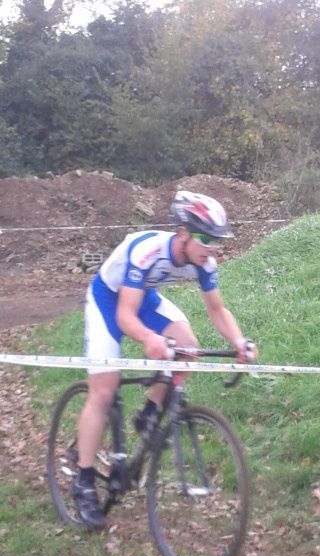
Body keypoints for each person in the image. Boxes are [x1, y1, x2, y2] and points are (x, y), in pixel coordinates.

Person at [73, 190, 257, 528]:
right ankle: (83, 481)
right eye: (206, 239)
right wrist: (149, 339)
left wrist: (239, 341)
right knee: (103, 391)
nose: (212, 248)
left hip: (143, 298)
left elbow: (217, 310)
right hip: (108, 300)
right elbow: (125, 316)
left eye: (217, 241)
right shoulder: (147, 251)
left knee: (187, 347)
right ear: (183, 233)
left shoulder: (204, 261)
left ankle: (150, 411)